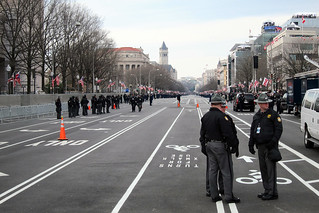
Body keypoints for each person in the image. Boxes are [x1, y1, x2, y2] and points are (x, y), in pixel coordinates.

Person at [199, 94, 240, 203]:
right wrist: (234, 145)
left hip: (209, 145)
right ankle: (228, 196)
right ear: (219, 104)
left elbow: (202, 133)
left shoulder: (206, 116)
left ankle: (214, 194)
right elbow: (228, 133)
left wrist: (203, 145)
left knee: (212, 171)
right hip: (220, 146)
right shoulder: (222, 117)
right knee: (226, 171)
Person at [248, 93, 283, 200]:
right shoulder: (257, 116)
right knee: (263, 169)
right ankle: (267, 189)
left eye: (267, 103)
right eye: (264, 103)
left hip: (270, 146)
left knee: (270, 169)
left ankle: (272, 192)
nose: (267, 104)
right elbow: (253, 130)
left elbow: (279, 129)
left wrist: (273, 142)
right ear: (259, 104)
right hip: (260, 146)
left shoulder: (273, 115)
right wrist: (251, 143)